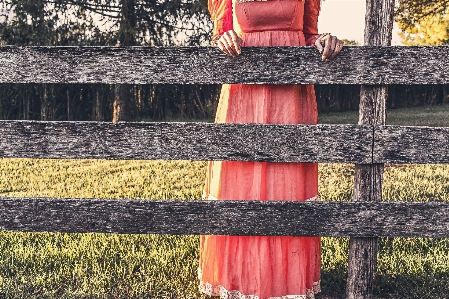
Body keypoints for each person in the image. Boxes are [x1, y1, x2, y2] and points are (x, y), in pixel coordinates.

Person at [199, 0, 343, 298]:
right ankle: (239, 279)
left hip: (289, 96)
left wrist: (325, 42)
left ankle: (284, 283)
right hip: (244, 94)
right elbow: (221, 33)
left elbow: (309, 36)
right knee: (240, 183)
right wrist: (223, 39)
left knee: (285, 183)